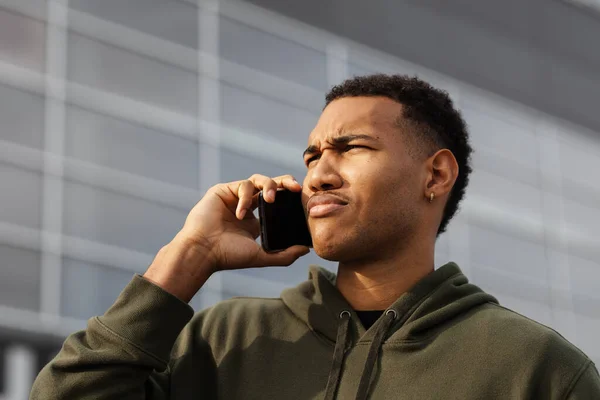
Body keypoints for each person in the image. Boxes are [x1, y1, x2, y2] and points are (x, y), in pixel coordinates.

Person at [31, 75, 600, 400]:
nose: (318, 174)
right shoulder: (224, 340)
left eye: (351, 148)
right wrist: (191, 255)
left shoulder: (535, 368)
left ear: (435, 175)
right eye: (312, 155)